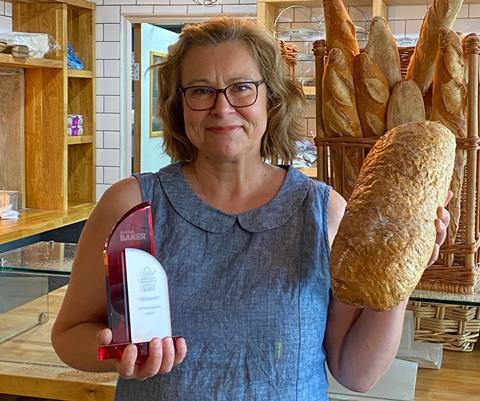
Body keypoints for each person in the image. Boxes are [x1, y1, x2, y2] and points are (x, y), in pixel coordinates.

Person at [51, 16, 451, 401]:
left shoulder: (323, 210)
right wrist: (118, 355)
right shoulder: (132, 205)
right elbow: (70, 335)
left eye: (242, 88)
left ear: (272, 99)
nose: (222, 108)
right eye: (201, 91)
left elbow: (356, 372)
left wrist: (404, 268)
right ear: (179, 104)